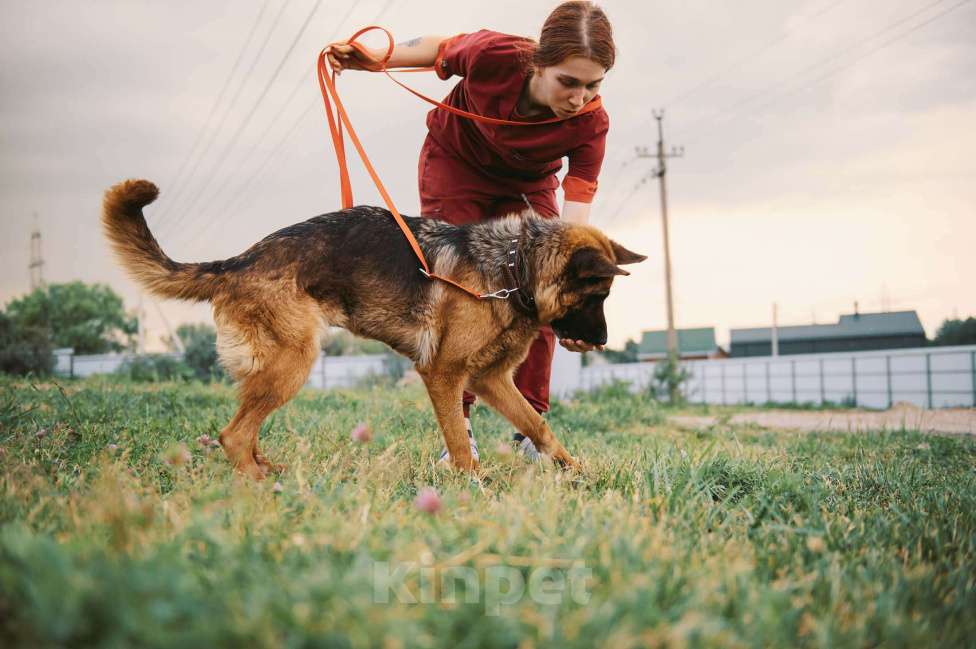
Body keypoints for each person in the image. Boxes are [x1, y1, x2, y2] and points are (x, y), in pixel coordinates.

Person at [326, 1, 615, 462]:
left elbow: (572, 228)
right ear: (537, 63)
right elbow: (439, 48)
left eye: (593, 85)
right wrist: (373, 58)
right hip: (455, 164)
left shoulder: (591, 124)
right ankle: (460, 432)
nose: (579, 97)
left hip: (525, 185)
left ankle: (530, 437)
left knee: (535, 295)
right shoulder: (494, 55)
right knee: (460, 295)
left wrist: (571, 293)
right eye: (569, 82)